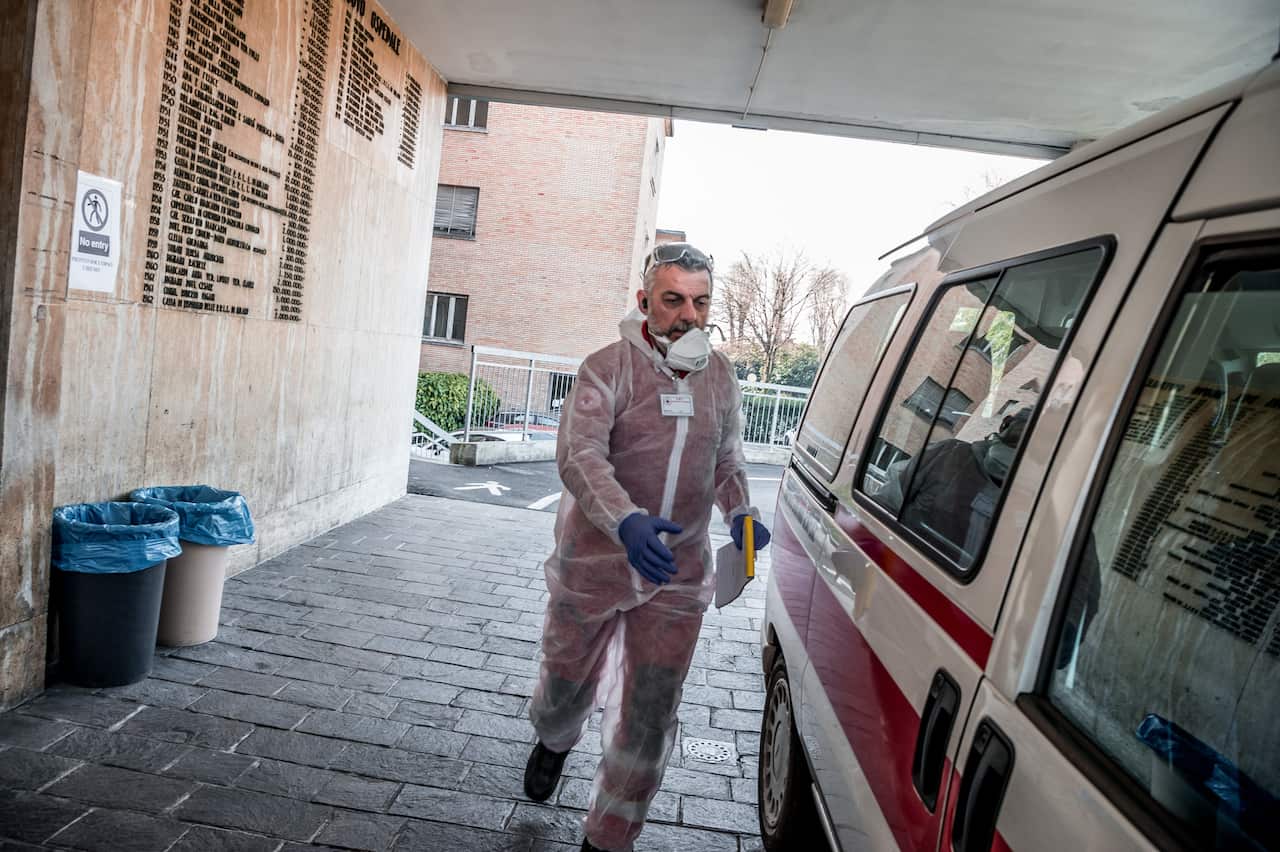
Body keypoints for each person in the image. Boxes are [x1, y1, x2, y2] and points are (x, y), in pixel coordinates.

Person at [523, 242, 772, 852]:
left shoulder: (719, 378)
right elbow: (579, 454)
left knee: (650, 710)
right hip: (596, 562)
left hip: (677, 575)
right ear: (645, 303)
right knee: (565, 683)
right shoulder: (606, 368)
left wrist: (739, 510)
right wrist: (626, 522)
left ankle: (609, 833)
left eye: (701, 301)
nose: (690, 316)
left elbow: (727, 457)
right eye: (674, 301)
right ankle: (554, 738)